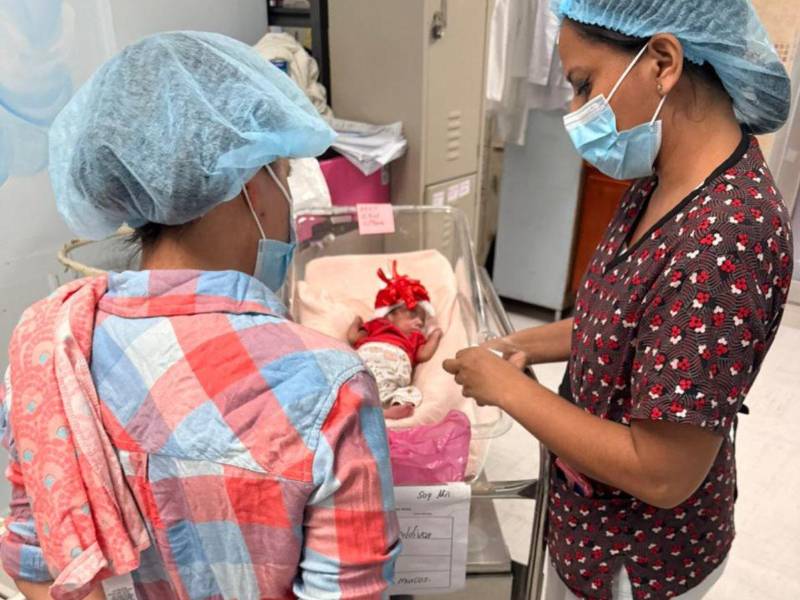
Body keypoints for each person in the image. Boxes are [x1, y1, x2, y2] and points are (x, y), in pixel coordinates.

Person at [0, 32, 400, 600]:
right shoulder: (332, 388)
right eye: (284, 176)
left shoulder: (49, 347)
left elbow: (36, 565)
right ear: (252, 186)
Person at [445, 1, 793, 598]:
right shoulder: (665, 179)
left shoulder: (724, 243)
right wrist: (515, 344)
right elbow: (617, 320)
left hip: (640, 557)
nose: (576, 113)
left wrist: (509, 391)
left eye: (585, 86)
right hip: (588, 520)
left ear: (662, 61)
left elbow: (661, 473)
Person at [347, 262, 443, 420]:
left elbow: (424, 354)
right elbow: (353, 337)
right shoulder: (377, 325)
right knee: (348, 385)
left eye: (422, 320)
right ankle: (361, 408)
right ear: (390, 315)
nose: (419, 322)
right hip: (365, 363)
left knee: (410, 393)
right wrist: (357, 321)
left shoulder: (415, 337)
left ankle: (388, 409)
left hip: (392, 373)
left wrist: (435, 335)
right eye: (412, 315)